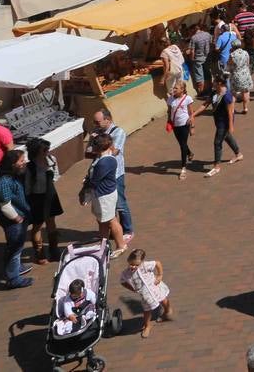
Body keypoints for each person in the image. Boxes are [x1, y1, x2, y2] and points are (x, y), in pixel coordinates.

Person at [88, 110, 133, 244]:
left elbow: (114, 152)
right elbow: (88, 152)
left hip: (115, 174)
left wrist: (101, 142)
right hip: (100, 172)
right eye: (94, 122)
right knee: (107, 207)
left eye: (98, 122)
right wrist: (93, 140)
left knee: (120, 203)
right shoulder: (96, 133)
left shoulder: (118, 132)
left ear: (107, 119)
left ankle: (128, 230)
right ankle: (112, 231)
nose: (95, 124)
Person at [0, 149, 33, 289]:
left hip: (20, 217)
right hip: (13, 222)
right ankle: (14, 279)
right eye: (21, 161)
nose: (24, 163)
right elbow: (5, 205)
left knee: (16, 247)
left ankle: (16, 268)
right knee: (14, 249)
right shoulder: (4, 181)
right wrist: (16, 218)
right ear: (12, 164)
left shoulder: (13, 176)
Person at [84, 133, 125, 259]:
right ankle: (104, 245)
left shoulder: (105, 162)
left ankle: (121, 246)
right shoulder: (102, 157)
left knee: (111, 221)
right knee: (102, 221)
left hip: (104, 196)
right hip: (101, 194)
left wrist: (84, 189)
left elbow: (94, 181)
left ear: (98, 147)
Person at [23, 139, 63, 265]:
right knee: (37, 225)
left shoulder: (51, 159)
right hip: (37, 198)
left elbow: (56, 174)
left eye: (48, 149)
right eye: (45, 149)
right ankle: (39, 252)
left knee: (51, 222)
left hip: (50, 195)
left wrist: (50, 182)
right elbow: (27, 187)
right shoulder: (29, 167)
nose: (48, 151)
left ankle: (54, 250)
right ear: (37, 151)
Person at [120, 248, 172, 338]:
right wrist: (132, 288)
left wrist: (160, 275)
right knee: (147, 310)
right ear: (128, 261)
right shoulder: (126, 273)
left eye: (136, 265)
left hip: (155, 287)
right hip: (145, 294)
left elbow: (157, 263)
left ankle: (167, 311)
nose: (133, 266)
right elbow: (122, 281)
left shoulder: (146, 265)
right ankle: (147, 326)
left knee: (163, 299)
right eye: (131, 264)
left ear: (142, 262)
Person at [205, 76, 245, 178]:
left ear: (219, 83)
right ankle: (238, 154)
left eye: (214, 81)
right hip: (218, 122)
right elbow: (205, 104)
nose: (212, 83)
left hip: (224, 123)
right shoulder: (214, 93)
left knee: (217, 142)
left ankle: (216, 166)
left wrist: (231, 126)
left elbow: (230, 112)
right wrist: (193, 114)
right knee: (227, 137)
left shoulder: (227, 96)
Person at [166, 80, 199, 179]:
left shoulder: (187, 99)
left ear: (182, 89)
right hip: (175, 125)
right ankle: (190, 153)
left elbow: (191, 112)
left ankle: (183, 168)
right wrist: (169, 122)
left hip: (185, 124)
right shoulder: (170, 99)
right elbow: (169, 111)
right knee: (181, 143)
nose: (173, 89)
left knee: (183, 145)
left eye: (176, 88)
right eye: (173, 88)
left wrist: (192, 126)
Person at [227, 36, 254, 114]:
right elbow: (247, 63)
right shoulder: (245, 53)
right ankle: (245, 108)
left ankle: (232, 110)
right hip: (245, 74)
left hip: (236, 75)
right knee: (246, 92)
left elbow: (229, 64)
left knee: (233, 93)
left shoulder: (232, 55)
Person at [155, 25, 185, 95]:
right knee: (180, 88)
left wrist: (163, 79)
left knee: (172, 91)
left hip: (172, 73)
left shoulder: (164, 52)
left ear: (161, 44)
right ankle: (182, 103)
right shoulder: (175, 46)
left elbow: (167, 67)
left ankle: (175, 105)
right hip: (180, 69)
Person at [187, 21, 214, 96]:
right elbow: (212, 44)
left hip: (198, 59)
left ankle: (201, 93)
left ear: (193, 30)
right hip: (207, 57)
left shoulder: (194, 38)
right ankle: (210, 90)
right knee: (208, 74)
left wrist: (192, 59)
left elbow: (192, 51)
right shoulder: (207, 34)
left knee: (199, 76)